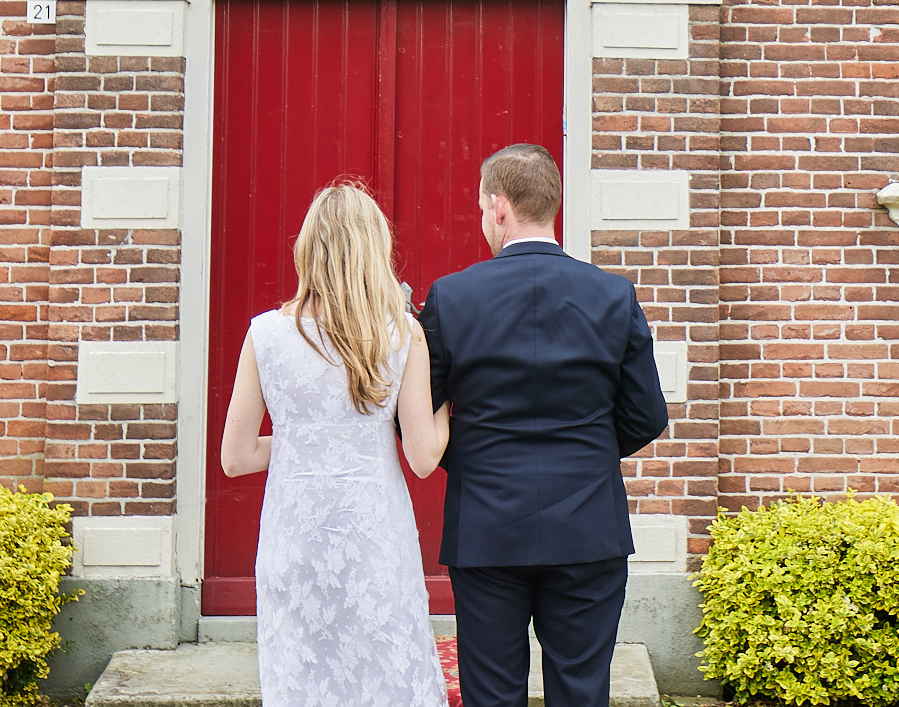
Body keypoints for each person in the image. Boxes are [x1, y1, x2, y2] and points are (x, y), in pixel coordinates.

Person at [419, 144, 669, 707]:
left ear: (499, 206)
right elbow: (647, 415)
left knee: (491, 693)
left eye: (483, 208)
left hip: (486, 525)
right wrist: (589, 452)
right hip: (588, 524)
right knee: (582, 691)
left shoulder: (452, 297)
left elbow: (418, 416)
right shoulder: (612, 294)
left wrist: (475, 458)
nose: (483, 218)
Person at [221, 183, 450, 707]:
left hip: (294, 542)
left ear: (308, 248)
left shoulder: (265, 336)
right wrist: (449, 405)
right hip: (375, 542)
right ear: (374, 249)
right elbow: (422, 458)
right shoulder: (404, 336)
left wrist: (306, 442)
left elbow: (235, 458)